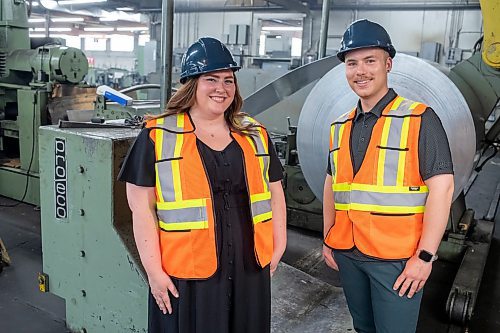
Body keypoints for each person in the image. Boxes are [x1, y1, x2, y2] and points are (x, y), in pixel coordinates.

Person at [118, 37, 287, 333]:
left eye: (228, 80)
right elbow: (141, 209)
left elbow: (275, 193)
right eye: (211, 79)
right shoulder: (158, 135)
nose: (221, 88)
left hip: (250, 264)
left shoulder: (255, 134)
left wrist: (279, 246)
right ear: (191, 84)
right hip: (189, 271)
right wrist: (154, 272)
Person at [322, 19, 454, 333]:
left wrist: (425, 256)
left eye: (370, 61)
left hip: (396, 259)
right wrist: (328, 238)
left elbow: (443, 188)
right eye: (352, 63)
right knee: (363, 328)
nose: (360, 71)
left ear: (388, 64)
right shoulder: (339, 125)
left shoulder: (420, 119)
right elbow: (333, 184)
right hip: (349, 253)